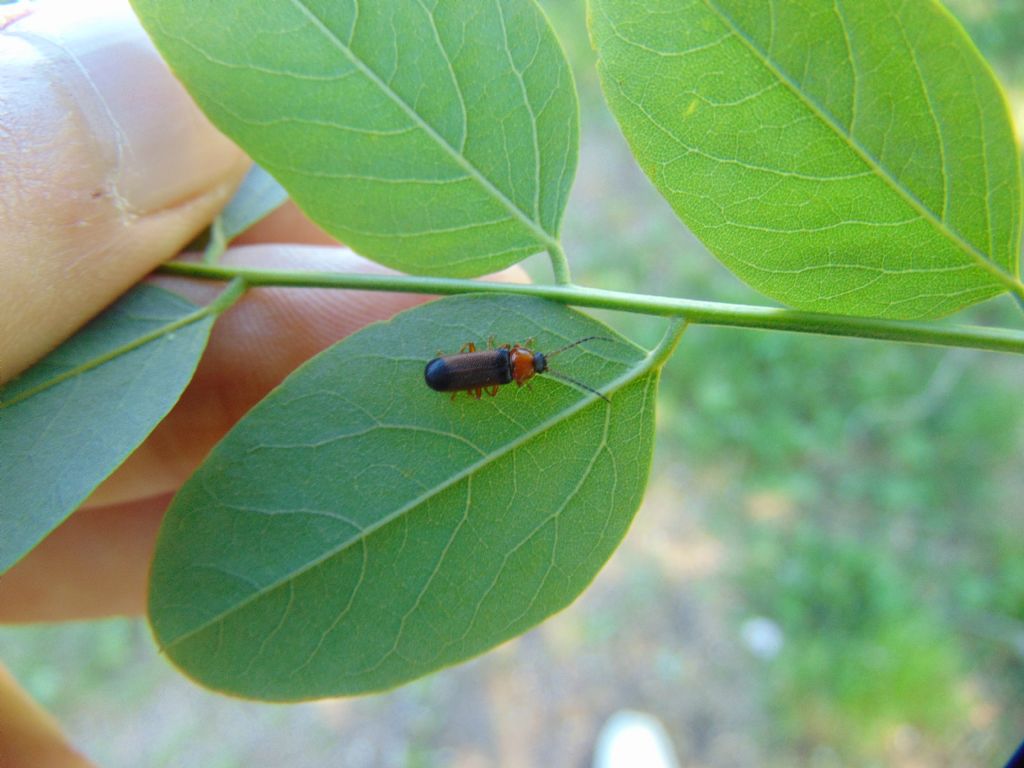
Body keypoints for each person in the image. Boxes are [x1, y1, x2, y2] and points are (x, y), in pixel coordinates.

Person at [0, 2, 521, 764]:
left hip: (440, 373)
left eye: (522, 364)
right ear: (514, 363)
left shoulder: (496, 360)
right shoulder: (501, 367)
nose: (520, 363)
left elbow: (458, 366)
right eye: (523, 364)